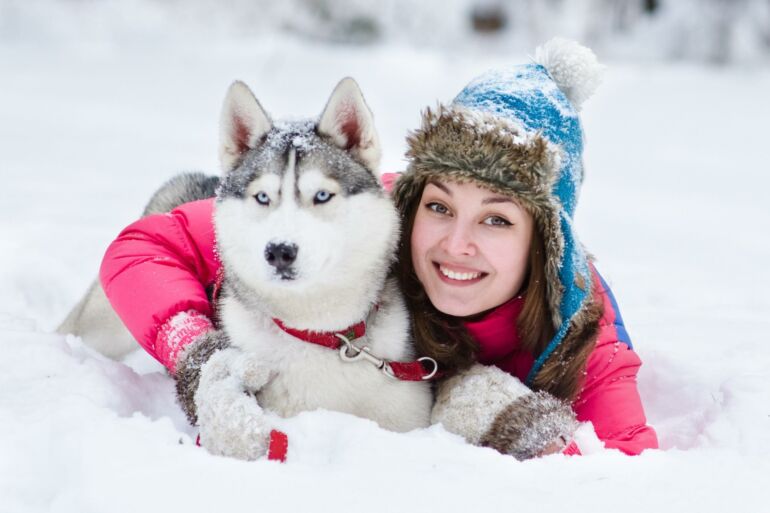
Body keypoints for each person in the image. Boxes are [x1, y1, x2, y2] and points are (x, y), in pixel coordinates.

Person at [99, 38, 657, 459]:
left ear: (546, 239)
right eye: (439, 207)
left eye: (496, 220)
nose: (455, 245)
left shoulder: (581, 332)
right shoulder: (375, 211)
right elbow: (141, 247)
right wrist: (199, 357)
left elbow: (625, 477)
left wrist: (526, 433)